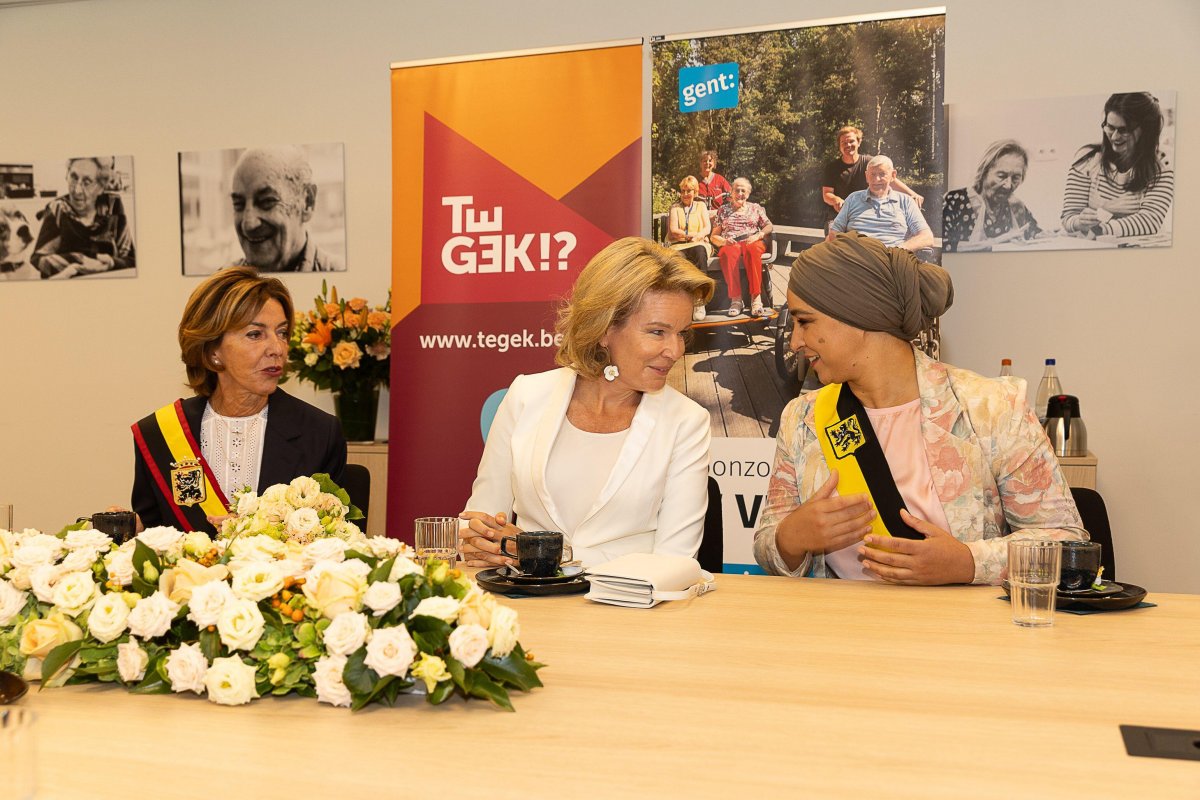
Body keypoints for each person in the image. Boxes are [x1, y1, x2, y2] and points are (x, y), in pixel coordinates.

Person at [754, 232, 1085, 585]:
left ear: (858, 315)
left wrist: (968, 563)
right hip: (841, 632)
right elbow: (768, 545)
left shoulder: (991, 409)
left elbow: (1067, 546)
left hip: (959, 633)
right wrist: (791, 539)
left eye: (805, 322)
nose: (794, 341)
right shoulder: (803, 419)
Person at [460, 237, 715, 568]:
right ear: (605, 329)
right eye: (657, 332)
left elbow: (675, 563)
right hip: (524, 610)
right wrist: (479, 540)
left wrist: (538, 553)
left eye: (681, 333)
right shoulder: (525, 396)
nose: (675, 350)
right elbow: (478, 520)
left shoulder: (687, 422)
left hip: (630, 613)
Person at [129, 267, 347, 534]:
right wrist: (132, 528)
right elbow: (155, 530)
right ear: (212, 351)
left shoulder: (319, 432)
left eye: (282, 333)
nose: (277, 349)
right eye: (255, 334)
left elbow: (336, 540)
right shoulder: (160, 433)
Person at [1062, 92, 1174, 239]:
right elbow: (1069, 216)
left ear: (1146, 131)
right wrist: (1079, 222)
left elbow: (1150, 220)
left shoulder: (1162, 167)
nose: (1114, 137)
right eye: (1109, 127)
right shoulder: (1087, 160)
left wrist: (1101, 231)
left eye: (1124, 130)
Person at [230, 146, 343, 272]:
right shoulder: (221, 286)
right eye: (238, 204)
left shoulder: (341, 279)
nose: (249, 224)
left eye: (266, 201)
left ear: (307, 202)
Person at [31, 157, 135, 279]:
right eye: (73, 178)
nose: (77, 190)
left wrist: (111, 264)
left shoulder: (113, 206)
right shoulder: (58, 209)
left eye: (87, 182)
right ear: (67, 176)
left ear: (101, 187)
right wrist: (79, 263)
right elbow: (38, 259)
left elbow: (131, 259)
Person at [942, 140, 1041, 252]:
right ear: (984, 172)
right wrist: (994, 242)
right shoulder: (955, 201)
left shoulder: (1016, 207)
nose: (1008, 186)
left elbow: (1034, 232)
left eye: (1016, 178)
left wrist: (1048, 235)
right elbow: (940, 245)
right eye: (1001, 176)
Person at [821, 126, 924, 233]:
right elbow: (826, 194)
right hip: (837, 217)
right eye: (844, 142)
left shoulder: (869, 163)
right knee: (834, 240)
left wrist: (912, 194)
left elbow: (890, 180)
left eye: (851, 141)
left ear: (859, 142)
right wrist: (836, 200)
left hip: (863, 215)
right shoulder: (832, 168)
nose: (848, 145)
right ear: (839, 145)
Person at [828, 156, 933, 252]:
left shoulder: (905, 202)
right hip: (857, 259)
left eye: (882, 174)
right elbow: (834, 232)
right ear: (866, 176)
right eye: (872, 174)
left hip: (892, 260)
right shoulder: (853, 199)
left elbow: (926, 237)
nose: (876, 180)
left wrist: (899, 250)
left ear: (893, 175)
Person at [711, 177, 773, 317]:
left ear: (748, 193)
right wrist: (724, 242)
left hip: (752, 239)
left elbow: (769, 225)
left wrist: (759, 235)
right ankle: (736, 299)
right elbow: (713, 236)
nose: (740, 193)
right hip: (731, 242)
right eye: (736, 190)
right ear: (731, 192)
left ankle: (756, 299)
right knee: (727, 254)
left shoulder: (755, 208)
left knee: (753, 250)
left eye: (743, 190)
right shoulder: (723, 210)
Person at [666, 175, 713, 321]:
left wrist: (698, 236)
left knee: (699, 251)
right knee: (679, 258)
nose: (685, 194)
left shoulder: (701, 206)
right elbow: (674, 230)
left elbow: (707, 227)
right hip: (679, 244)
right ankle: (681, 302)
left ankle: (699, 300)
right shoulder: (675, 207)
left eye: (689, 191)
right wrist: (690, 235)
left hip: (698, 243)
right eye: (683, 191)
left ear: (695, 192)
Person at [696, 150, 732, 217]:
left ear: (714, 164)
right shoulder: (695, 180)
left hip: (717, 215)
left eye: (710, 161)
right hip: (699, 215)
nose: (707, 163)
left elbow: (731, 194)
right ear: (700, 164)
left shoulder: (720, 179)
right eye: (704, 161)